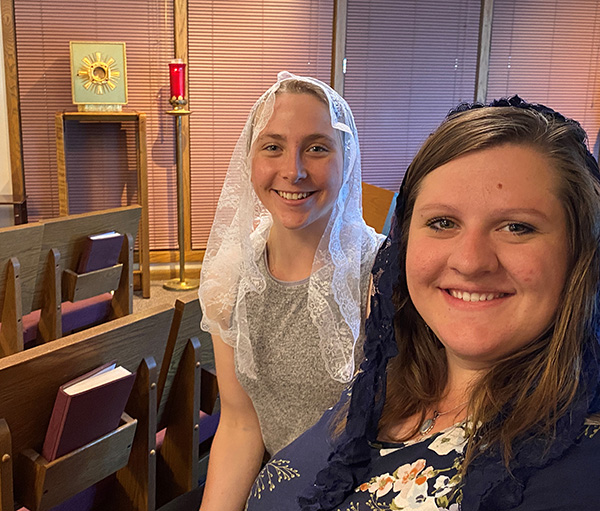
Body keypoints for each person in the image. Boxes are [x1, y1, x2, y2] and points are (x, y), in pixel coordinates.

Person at [244, 96, 600, 511]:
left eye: (516, 227)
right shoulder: (386, 384)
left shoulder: (577, 471)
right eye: (443, 222)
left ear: (580, 253)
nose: (469, 261)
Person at [197, 71, 383, 511]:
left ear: (348, 158)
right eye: (273, 147)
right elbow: (242, 425)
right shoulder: (229, 280)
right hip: (279, 490)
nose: (293, 170)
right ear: (250, 159)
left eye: (317, 147)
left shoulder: (382, 273)